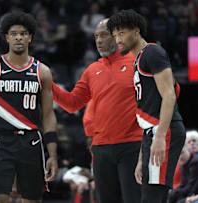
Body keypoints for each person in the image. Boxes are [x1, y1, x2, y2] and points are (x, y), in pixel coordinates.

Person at [0, 11, 58, 203]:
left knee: (32, 199)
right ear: (6, 37)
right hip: (1, 141)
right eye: (14, 33)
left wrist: (52, 154)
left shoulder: (42, 71)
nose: (18, 37)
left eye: (23, 33)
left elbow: (48, 116)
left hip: (31, 142)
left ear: (30, 37)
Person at [52, 19, 142, 203]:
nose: (99, 40)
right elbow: (72, 103)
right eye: (96, 36)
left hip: (132, 145)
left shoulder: (138, 61)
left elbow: (167, 93)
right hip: (101, 149)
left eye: (104, 35)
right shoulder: (92, 70)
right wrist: (48, 85)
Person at [108, 9, 186, 203]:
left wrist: (160, 136)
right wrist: (143, 157)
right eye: (115, 35)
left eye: (121, 33)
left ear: (136, 31)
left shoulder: (152, 52)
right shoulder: (139, 58)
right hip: (152, 131)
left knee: (151, 197)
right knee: (151, 195)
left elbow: (170, 95)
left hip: (163, 130)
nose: (117, 39)